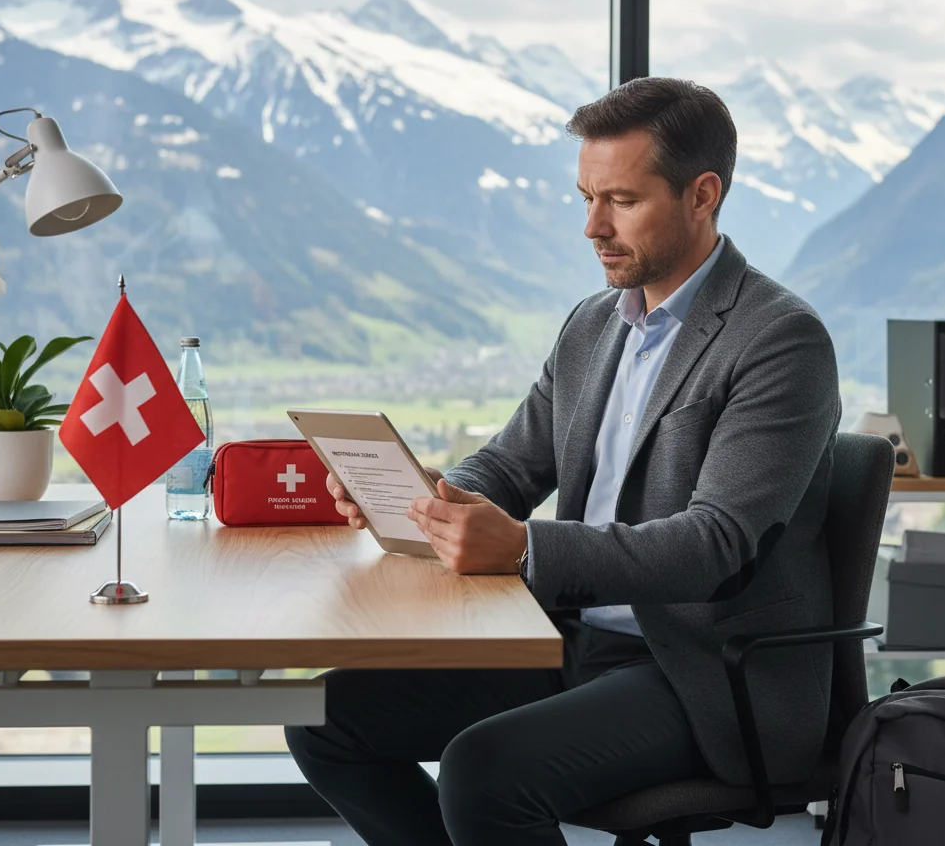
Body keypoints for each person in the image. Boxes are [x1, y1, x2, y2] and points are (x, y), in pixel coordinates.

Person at [285, 77, 842, 846]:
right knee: (322, 717)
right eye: (586, 198)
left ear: (702, 195)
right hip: (565, 640)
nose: (592, 227)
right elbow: (509, 466)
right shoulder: (593, 325)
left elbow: (714, 546)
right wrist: (425, 499)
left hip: (703, 672)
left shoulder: (780, 340)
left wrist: (522, 548)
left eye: (621, 201)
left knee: (482, 769)